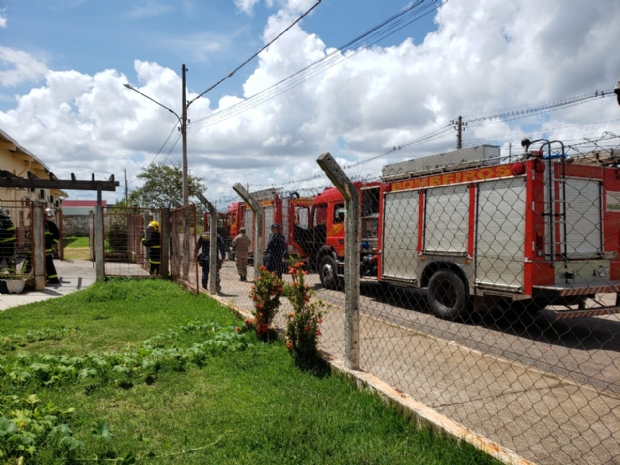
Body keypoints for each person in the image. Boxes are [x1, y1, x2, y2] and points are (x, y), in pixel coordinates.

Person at [44, 208, 60, 284]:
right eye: (48, 216)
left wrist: (53, 243)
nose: (49, 218)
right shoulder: (43, 224)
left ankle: (53, 279)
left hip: (48, 247)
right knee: (47, 263)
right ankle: (49, 277)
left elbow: (57, 235)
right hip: (46, 247)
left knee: (48, 263)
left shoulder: (52, 225)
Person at [0, 207, 16, 273]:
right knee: (10, 260)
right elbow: (13, 231)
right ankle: (13, 274)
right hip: (10, 245)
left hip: (1, 245)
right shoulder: (9, 221)